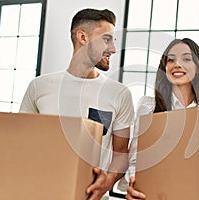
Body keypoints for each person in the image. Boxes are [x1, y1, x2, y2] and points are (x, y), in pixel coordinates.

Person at [19, 8, 134, 200]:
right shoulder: (39, 87)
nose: (113, 48)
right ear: (83, 37)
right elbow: (21, 143)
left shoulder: (120, 94)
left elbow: (121, 153)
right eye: (107, 39)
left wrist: (105, 183)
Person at [125, 38, 199, 200]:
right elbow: (135, 161)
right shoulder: (148, 107)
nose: (177, 64)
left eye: (186, 59)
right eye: (171, 60)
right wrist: (135, 185)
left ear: (198, 67)